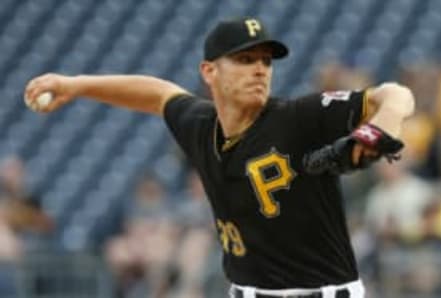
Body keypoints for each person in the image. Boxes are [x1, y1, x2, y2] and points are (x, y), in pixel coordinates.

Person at [24, 17, 414, 298]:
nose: (260, 70)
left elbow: (395, 94)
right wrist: (76, 85)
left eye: (266, 61)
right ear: (209, 71)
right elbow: (158, 94)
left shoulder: (299, 118)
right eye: (245, 60)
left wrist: (378, 129)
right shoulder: (198, 124)